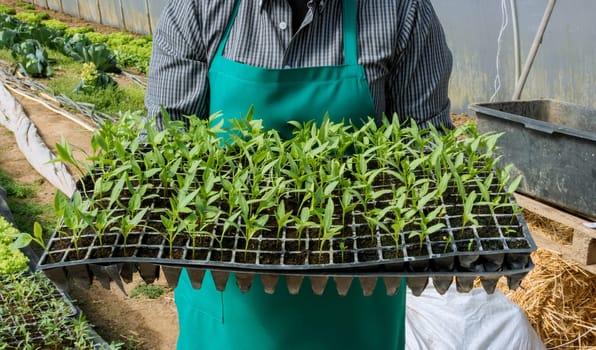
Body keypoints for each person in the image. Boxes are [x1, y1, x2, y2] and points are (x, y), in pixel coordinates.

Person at [145, 1, 453, 349]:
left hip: (357, 308)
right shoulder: (198, 7)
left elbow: (427, 155)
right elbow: (167, 148)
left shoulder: (399, 10)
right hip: (229, 304)